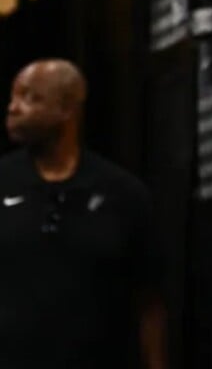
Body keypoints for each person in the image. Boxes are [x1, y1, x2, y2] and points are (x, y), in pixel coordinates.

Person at [0, 59, 166, 369]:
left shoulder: (123, 194)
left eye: (30, 98)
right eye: (13, 97)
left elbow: (150, 301)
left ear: (67, 109)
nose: (13, 108)